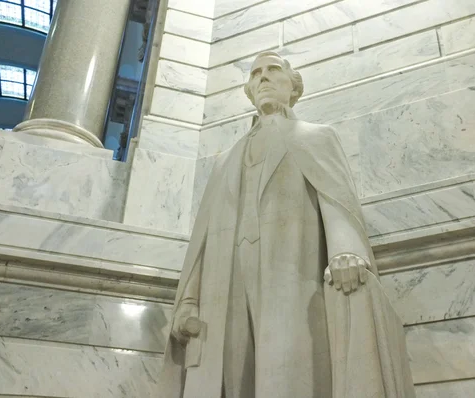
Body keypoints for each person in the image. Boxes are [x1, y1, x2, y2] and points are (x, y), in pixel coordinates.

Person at [158, 51, 415, 398]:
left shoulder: (316, 137)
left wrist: (346, 250)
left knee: (286, 373)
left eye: (273, 70)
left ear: (293, 87)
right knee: (233, 376)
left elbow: (337, 201)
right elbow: (203, 236)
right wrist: (189, 299)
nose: (262, 78)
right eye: (255, 73)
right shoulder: (224, 162)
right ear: (249, 89)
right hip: (227, 282)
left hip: (292, 275)